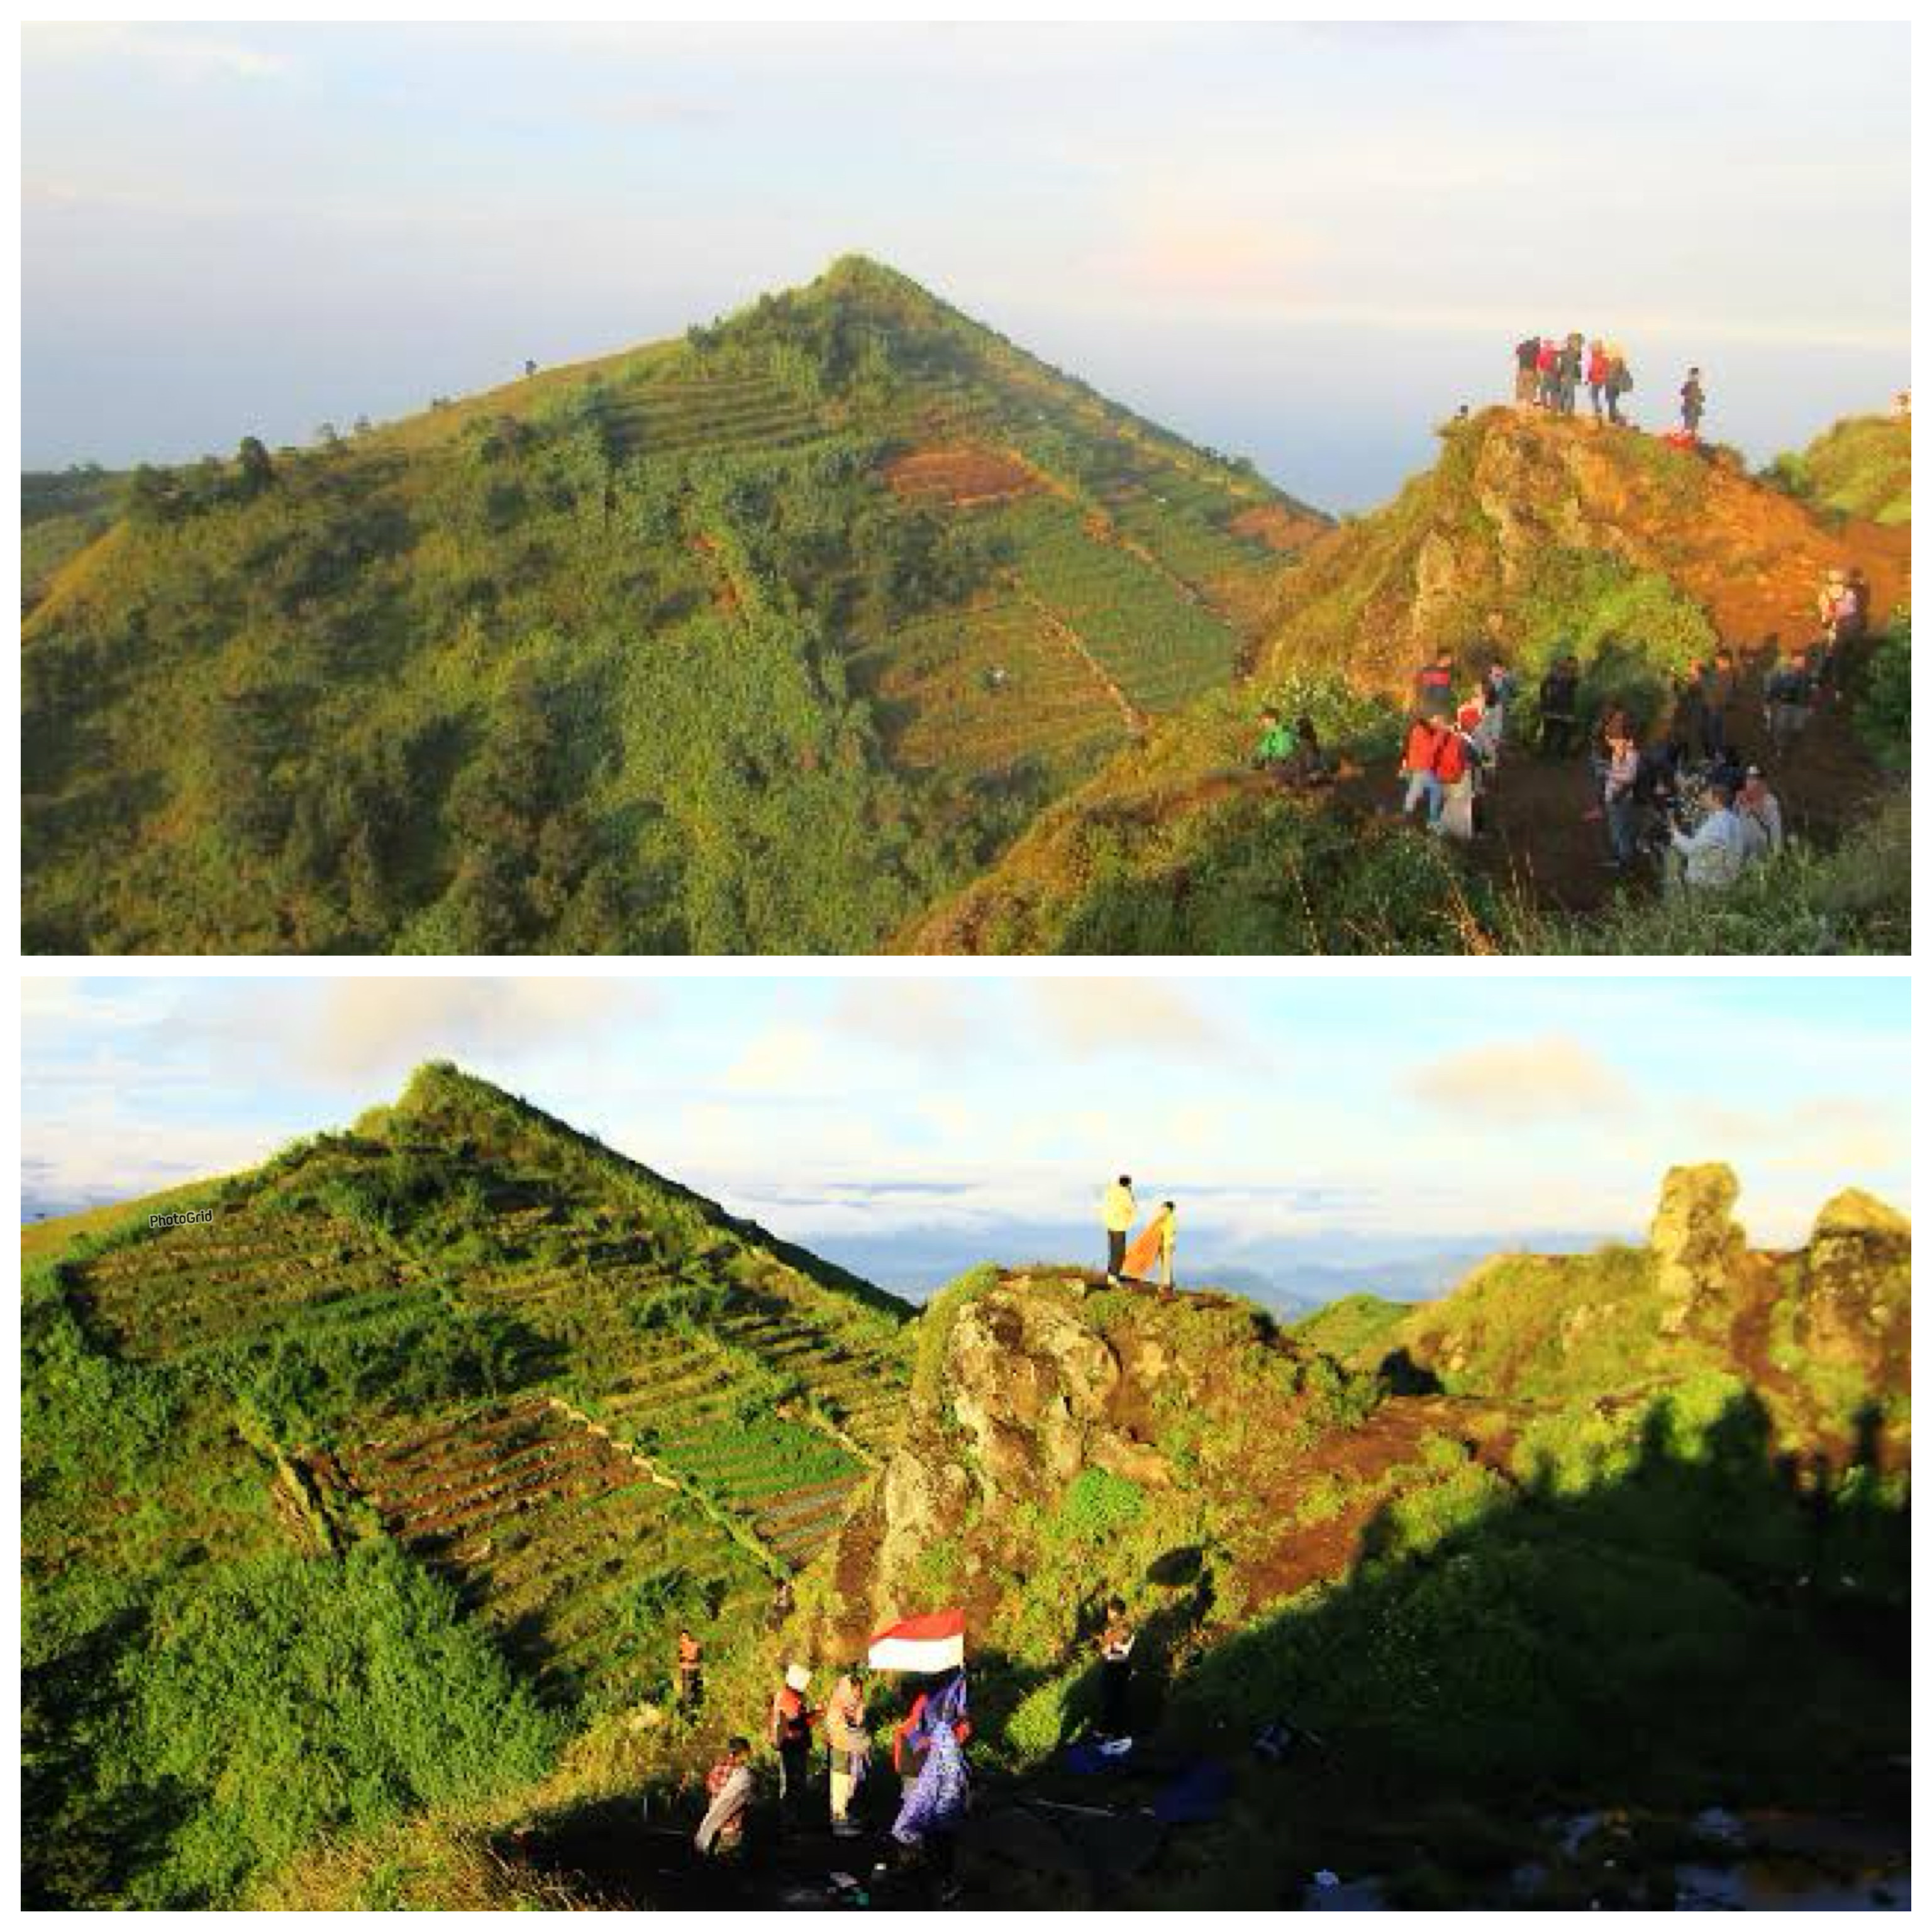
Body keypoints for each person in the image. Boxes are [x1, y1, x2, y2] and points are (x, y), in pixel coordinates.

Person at [891, 1673, 972, 1875]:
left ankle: (931, 1867)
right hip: (924, 1771)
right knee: (926, 1821)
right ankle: (922, 1866)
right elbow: (914, 1736)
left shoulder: (937, 1706)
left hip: (932, 1771)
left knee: (935, 1822)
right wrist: (939, 1739)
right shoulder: (924, 1708)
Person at [1669, 778, 1748, 891]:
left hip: (1710, 885)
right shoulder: (1730, 819)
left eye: (1707, 795)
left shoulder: (1719, 823)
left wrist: (1675, 833)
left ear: (1716, 799)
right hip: (1720, 882)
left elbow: (1694, 849)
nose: (1702, 797)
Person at [770, 1663, 818, 1828]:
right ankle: (791, 1822)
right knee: (793, 1785)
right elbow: (796, 1728)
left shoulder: (784, 1696)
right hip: (793, 1748)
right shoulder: (789, 1700)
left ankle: (791, 1820)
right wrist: (814, 1717)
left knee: (791, 1785)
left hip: (790, 1746)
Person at [824, 1666, 870, 1838]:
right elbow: (839, 1729)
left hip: (852, 1750)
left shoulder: (855, 1705)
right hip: (841, 1748)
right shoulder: (837, 1706)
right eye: (855, 1690)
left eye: (860, 1690)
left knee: (851, 1783)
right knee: (840, 1783)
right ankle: (838, 1822)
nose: (858, 1694)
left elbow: (859, 1725)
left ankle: (844, 1816)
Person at [695, 1736, 754, 1859]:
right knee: (731, 1867)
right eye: (748, 1753)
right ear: (743, 1753)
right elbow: (744, 1799)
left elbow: (713, 1791)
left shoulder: (717, 1770)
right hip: (732, 1831)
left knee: (716, 1868)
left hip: (713, 1832)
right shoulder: (743, 1775)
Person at [1433, 708, 1478, 841]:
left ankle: (1445, 831)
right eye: (1475, 722)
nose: (1476, 725)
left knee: (1451, 805)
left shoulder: (1450, 734)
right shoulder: (1466, 740)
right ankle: (1461, 836)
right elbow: (1474, 761)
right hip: (1460, 780)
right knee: (1462, 807)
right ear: (1469, 723)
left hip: (1445, 779)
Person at [1602, 724, 1642, 870]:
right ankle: (1622, 861)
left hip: (1621, 799)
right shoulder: (1619, 751)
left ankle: (1625, 864)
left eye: (1612, 738)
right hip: (1614, 797)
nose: (1609, 741)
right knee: (1617, 830)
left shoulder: (1631, 753)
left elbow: (1630, 778)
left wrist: (1609, 774)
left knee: (1620, 832)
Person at [1764, 648, 1816, 757]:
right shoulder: (1784, 673)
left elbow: (1810, 691)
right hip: (1785, 704)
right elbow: (1775, 687)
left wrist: (1810, 705)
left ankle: (1789, 744)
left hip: (1801, 705)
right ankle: (1779, 747)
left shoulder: (1807, 675)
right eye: (1799, 660)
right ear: (1792, 660)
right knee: (1781, 726)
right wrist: (1768, 701)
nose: (1801, 663)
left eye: (1803, 661)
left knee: (1798, 728)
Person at [1097, 1598, 1137, 1739]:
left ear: (1115, 1612)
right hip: (1121, 1666)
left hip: (1115, 1667)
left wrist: (1107, 1642)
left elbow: (1107, 1650)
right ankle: (1113, 1733)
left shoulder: (1118, 1628)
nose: (1107, 1613)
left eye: (1109, 1610)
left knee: (1113, 1703)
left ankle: (1112, 1734)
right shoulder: (1125, 1626)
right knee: (1117, 1702)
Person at [1399, 714, 1447, 826]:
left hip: (1417, 766)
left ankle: (1407, 813)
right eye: (1437, 724)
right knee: (1436, 789)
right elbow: (1430, 751)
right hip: (1421, 767)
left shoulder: (1421, 730)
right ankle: (1433, 819)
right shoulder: (1421, 731)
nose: (1438, 726)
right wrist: (1440, 734)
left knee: (1416, 789)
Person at [1124, 1201, 1177, 1292]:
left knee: (1166, 1264)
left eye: (1163, 1207)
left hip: (1166, 1244)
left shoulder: (1166, 1216)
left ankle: (1167, 1285)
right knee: (1166, 1264)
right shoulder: (1171, 1218)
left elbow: (1162, 1229)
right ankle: (1168, 1283)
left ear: (1168, 1208)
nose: (1161, 1209)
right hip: (1167, 1244)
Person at [1537, 656, 1582, 757]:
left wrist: (1544, 700)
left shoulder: (1573, 677)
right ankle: (1548, 752)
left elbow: (1576, 688)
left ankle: (1559, 752)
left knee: (1564, 731)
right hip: (1555, 707)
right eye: (1572, 663)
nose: (1573, 665)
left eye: (1575, 664)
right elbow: (1544, 686)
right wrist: (1544, 701)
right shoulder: (1557, 674)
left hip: (1565, 708)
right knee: (1550, 730)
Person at [1737, 767, 1784, 862]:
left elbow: (1775, 826)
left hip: (1761, 850)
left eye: (1754, 778)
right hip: (1742, 848)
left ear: (1761, 781)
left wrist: (1777, 852)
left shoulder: (1769, 801)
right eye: (1748, 778)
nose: (1750, 782)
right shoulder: (1740, 798)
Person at [1101, 1175, 1136, 1285]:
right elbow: (1132, 1208)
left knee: (1113, 1251)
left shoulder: (1110, 1191)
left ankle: (1111, 1274)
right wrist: (1130, 1193)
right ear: (1128, 1184)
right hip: (1119, 1226)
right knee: (1119, 1252)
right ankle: (1113, 1277)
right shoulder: (1125, 1193)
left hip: (1110, 1224)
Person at [1414, 648, 1456, 719]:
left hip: (1443, 709)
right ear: (1444, 658)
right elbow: (1423, 693)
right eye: (1450, 658)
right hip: (1430, 710)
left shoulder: (1448, 673)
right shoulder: (1429, 672)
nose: (1452, 660)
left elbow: (1447, 692)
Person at [677, 1628, 704, 1713]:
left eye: (684, 1637)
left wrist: (687, 1657)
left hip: (693, 1670)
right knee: (687, 1691)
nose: (682, 1639)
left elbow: (697, 1657)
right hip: (686, 1670)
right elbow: (681, 1659)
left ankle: (695, 1709)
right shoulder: (682, 1646)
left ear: (689, 1637)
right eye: (682, 1638)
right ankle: (688, 1710)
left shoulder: (695, 1645)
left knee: (694, 1689)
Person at [1557, 333, 1584, 416]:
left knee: (1566, 393)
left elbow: (1563, 364)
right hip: (1568, 375)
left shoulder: (1572, 352)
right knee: (1567, 393)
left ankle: (1565, 410)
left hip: (1569, 375)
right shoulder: (1572, 352)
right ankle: (1566, 411)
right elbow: (1563, 364)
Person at [1604, 345, 1632, 425]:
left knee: (1611, 401)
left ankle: (1615, 418)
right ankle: (1614, 418)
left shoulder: (1616, 362)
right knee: (1611, 401)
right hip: (1612, 385)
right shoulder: (1618, 362)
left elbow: (1612, 374)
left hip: (1612, 385)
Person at [1513, 334, 1541, 408]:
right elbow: (1539, 360)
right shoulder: (1537, 348)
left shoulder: (1522, 346)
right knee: (1531, 387)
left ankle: (1518, 405)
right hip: (1531, 370)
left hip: (1521, 370)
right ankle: (1529, 405)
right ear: (1537, 342)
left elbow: (1517, 353)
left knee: (1520, 387)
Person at [1585, 340, 1611, 421]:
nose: (1592, 351)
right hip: (1599, 380)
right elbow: (1592, 370)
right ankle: (1598, 410)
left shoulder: (1596, 359)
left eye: (1593, 349)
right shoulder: (1604, 359)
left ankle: (1597, 411)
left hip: (1597, 380)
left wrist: (1589, 378)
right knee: (1594, 395)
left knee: (1593, 395)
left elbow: (1592, 370)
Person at [1680, 367, 1706, 437]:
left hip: (1695, 407)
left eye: (1697, 375)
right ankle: (1685, 437)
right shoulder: (1688, 384)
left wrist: (1701, 398)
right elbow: (1683, 393)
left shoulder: (1697, 385)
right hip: (1690, 406)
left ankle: (1692, 437)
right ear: (1691, 376)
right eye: (1694, 375)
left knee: (1694, 425)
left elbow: (1700, 396)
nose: (1696, 377)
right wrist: (1691, 398)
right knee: (1688, 424)